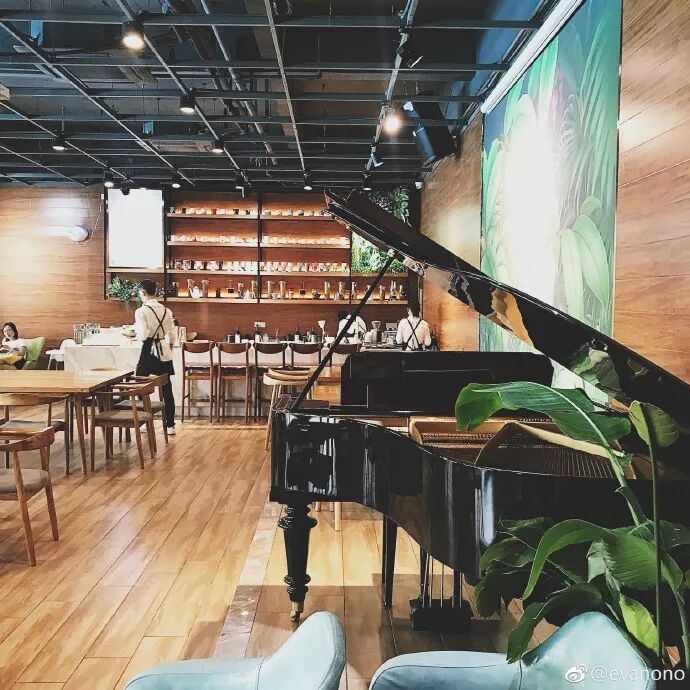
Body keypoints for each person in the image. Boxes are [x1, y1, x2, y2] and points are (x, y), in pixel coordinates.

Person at [133, 280, 176, 435]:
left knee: (140, 386)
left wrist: (135, 335)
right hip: (163, 350)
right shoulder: (167, 310)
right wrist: (168, 348)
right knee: (167, 388)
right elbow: (172, 335)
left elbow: (143, 335)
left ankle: (144, 422)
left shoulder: (141, 311)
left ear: (143, 292)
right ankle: (170, 425)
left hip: (148, 350)